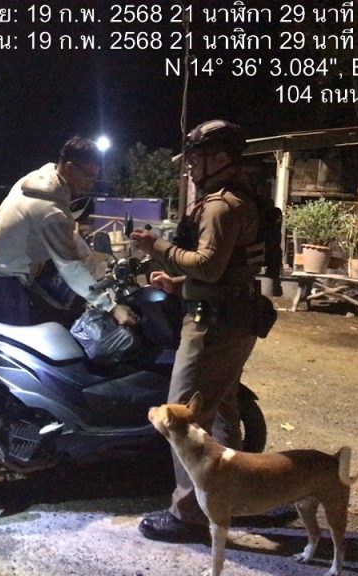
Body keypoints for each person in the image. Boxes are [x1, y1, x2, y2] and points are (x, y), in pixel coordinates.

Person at [129, 120, 263, 543]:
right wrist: (178, 283)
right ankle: (229, 498)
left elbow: (208, 264)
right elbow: (227, 269)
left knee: (183, 415)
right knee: (222, 412)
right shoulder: (239, 198)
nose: (190, 166)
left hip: (213, 325)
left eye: (197, 158)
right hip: (234, 316)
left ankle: (188, 514)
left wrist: (156, 246)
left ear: (221, 158)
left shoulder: (221, 206)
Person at [0, 136, 135, 327]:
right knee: (17, 340)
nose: (91, 183)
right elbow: (70, 267)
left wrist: (83, 252)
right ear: (70, 167)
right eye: (88, 175)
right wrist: (111, 307)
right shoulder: (50, 209)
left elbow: (8, 212)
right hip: (5, 281)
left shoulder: (35, 180)